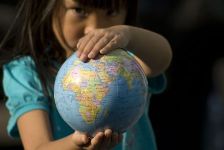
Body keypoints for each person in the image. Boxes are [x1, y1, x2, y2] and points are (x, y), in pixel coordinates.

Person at [0, 0, 172, 149]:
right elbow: (37, 147)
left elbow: (163, 58)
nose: (94, 28)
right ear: (49, 5)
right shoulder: (27, 72)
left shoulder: (126, 61)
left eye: (111, 12)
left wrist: (127, 34)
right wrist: (76, 145)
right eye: (79, 10)